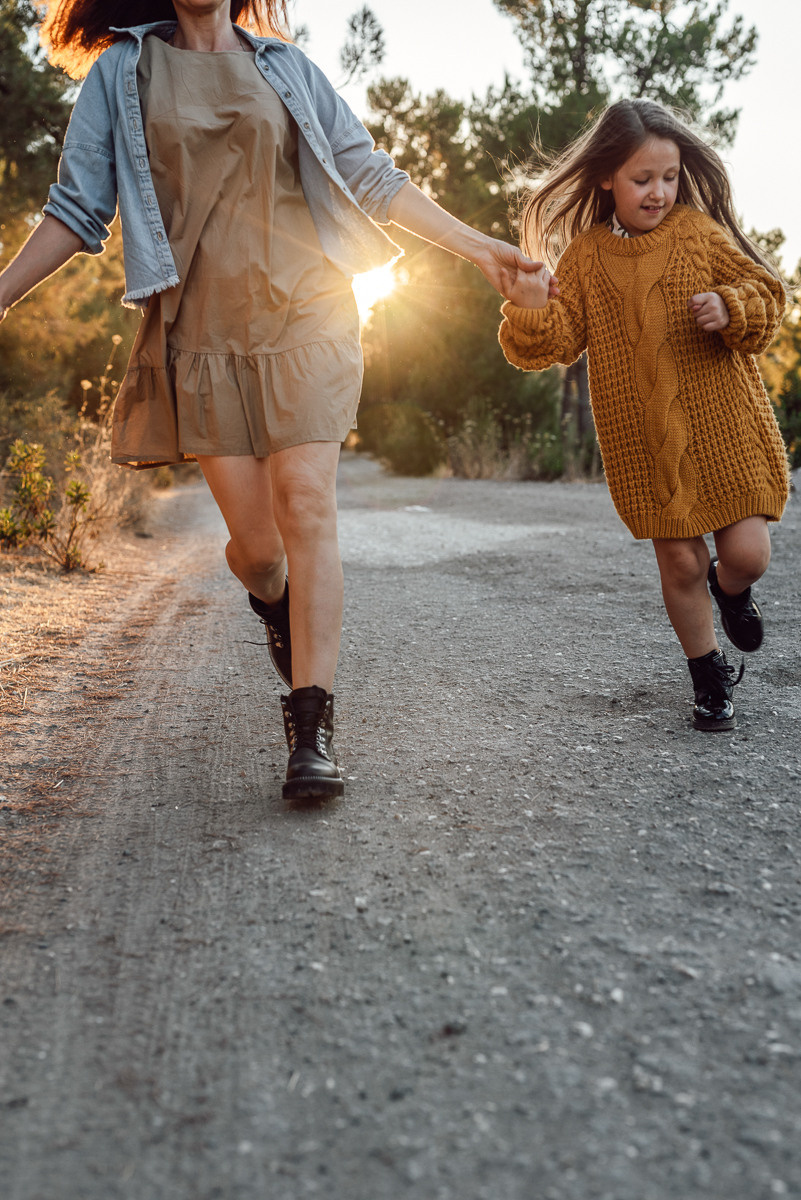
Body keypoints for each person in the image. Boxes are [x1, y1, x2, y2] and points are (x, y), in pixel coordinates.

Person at [0, 0, 537, 801]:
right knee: (256, 552)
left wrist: (479, 248)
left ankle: (310, 729)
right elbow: (78, 209)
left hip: (309, 311)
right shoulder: (123, 72)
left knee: (305, 503)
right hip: (201, 332)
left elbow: (371, 175)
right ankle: (279, 602)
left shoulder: (285, 67)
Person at [497, 99, 789, 732]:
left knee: (748, 556)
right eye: (643, 179)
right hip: (645, 441)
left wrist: (730, 306)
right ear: (607, 177)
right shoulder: (585, 258)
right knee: (681, 563)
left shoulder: (697, 233)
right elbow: (555, 342)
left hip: (725, 429)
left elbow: (769, 293)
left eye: (670, 176)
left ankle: (731, 590)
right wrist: (530, 308)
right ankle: (708, 676)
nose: (659, 191)